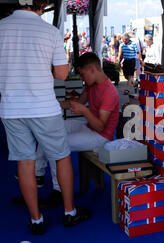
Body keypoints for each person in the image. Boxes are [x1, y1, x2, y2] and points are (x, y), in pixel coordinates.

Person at [0, 0, 91, 235]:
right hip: (44, 107)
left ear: (18, 2)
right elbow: (61, 74)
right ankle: (70, 212)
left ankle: (36, 219)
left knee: (25, 162)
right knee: (60, 156)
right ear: (42, 5)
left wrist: (5, 68)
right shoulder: (50, 31)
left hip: (12, 109)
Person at [36, 52, 120, 201]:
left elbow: (100, 126)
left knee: (57, 143)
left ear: (93, 69)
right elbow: (77, 103)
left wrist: (84, 111)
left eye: (82, 74)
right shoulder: (92, 84)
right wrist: (50, 105)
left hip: (100, 137)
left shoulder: (109, 92)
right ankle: (37, 174)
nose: (81, 78)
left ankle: (59, 190)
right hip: (88, 127)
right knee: (49, 129)